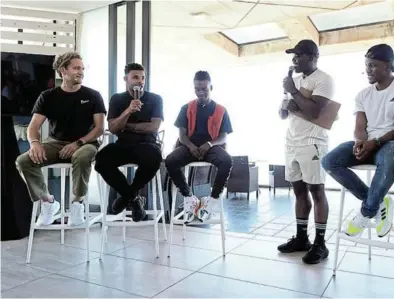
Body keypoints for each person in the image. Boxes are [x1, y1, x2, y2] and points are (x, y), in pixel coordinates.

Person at [322, 44, 394, 237]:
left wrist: (374, 143)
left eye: (373, 65)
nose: (368, 70)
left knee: (390, 155)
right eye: (367, 65)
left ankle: (366, 212)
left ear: (388, 65)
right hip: (370, 144)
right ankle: (378, 201)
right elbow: (360, 127)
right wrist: (359, 141)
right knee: (329, 161)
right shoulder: (363, 94)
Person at [15, 52, 106, 226]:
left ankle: (77, 203)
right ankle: (48, 202)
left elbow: (99, 128)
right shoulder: (48, 96)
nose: (81, 72)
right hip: (55, 143)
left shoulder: (93, 95)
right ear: (63, 70)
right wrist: (34, 144)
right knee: (23, 160)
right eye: (76, 68)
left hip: (86, 143)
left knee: (82, 156)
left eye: (82, 68)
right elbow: (33, 127)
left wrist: (77, 143)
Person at [277, 39, 335, 264]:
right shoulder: (295, 81)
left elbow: (315, 111)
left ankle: (320, 244)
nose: (294, 60)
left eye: (298, 55)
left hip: (313, 142)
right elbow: (283, 114)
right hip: (291, 142)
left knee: (316, 191)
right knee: (298, 191)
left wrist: (294, 92)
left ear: (312, 57)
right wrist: (285, 104)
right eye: (293, 56)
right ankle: (302, 238)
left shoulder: (324, 80)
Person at [94, 63, 164, 222]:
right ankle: (133, 198)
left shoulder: (155, 99)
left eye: (143, 78)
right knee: (101, 160)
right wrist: (127, 111)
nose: (140, 81)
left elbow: (153, 127)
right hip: (124, 144)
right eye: (135, 77)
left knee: (153, 157)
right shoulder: (117, 99)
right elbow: (112, 128)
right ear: (126, 78)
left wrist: (127, 126)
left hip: (147, 144)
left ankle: (126, 197)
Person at [165, 71, 233, 222]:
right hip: (189, 146)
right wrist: (190, 146)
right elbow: (182, 134)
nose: (200, 92)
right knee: (170, 160)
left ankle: (212, 199)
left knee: (227, 160)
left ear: (211, 87)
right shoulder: (186, 108)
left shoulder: (221, 110)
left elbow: (223, 136)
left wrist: (209, 144)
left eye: (204, 89)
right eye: (197, 89)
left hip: (212, 147)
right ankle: (189, 197)